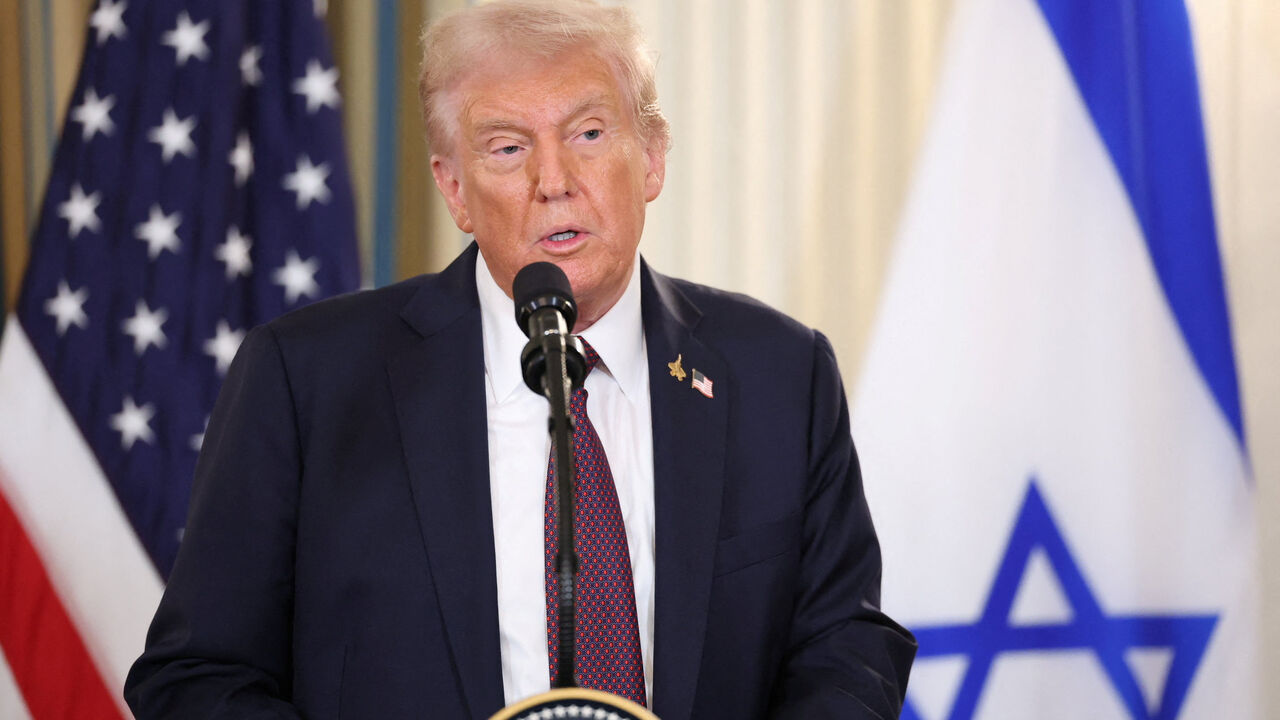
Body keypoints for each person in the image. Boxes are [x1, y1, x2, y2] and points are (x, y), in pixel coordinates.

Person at [124, 0, 916, 718]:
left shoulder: (778, 375)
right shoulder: (307, 383)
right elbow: (197, 677)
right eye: (507, 148)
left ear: (651, 158)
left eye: (589, 134)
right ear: (456, 189)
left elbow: (845, 647)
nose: (553, 181)